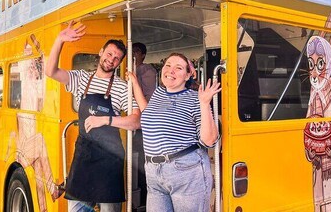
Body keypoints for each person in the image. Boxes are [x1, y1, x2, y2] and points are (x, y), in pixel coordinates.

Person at [45, 21, 141, 212]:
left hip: (110, 161)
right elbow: (51, 71)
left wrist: (106, 119)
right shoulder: (81, 78)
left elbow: (136, 121)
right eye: (109, 54)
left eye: (116, 58)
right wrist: (59, 40)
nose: (111, 59)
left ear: (119, 63)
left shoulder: (122, 87)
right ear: (101, 52)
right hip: (84, 158)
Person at [127, 52, 221, 212]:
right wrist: (135, 83)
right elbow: (146, 110)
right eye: (168, 66)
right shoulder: (158, 93)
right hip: (153, 171)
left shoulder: (195, 98)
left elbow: (210, 140)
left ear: (187, 76)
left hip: (185, 171)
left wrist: (205, 104)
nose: (171, 71)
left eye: (178, 68)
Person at [132, 42, 157, 209]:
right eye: (132, 51)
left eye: (137, 52)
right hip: (134, 123)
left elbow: (144, 96)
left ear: (143, 55)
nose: (134, 54)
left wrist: (134, 77)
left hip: (143, 124)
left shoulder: (148, 71)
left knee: (141, 162)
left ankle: (143, 200)